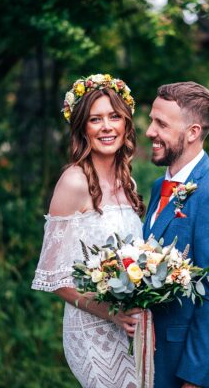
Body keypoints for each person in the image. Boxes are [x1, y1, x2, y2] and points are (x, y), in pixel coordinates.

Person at [31, 74, 145, 388]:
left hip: (134, 329)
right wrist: (111, 313)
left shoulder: (129, 184)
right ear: (83, 128)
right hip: (93, 331)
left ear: (126, 124)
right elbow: (53, 277)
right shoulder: (73, 181)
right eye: (96, 119)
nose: (107, 127)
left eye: (114, 117)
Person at [143, 82, 209, 388]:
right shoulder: (159, 188)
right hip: (155, 360)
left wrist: (193, 380)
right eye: (151, 120)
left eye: (161, 123)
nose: (149, 131)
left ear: (192, 132)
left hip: (190, 369)